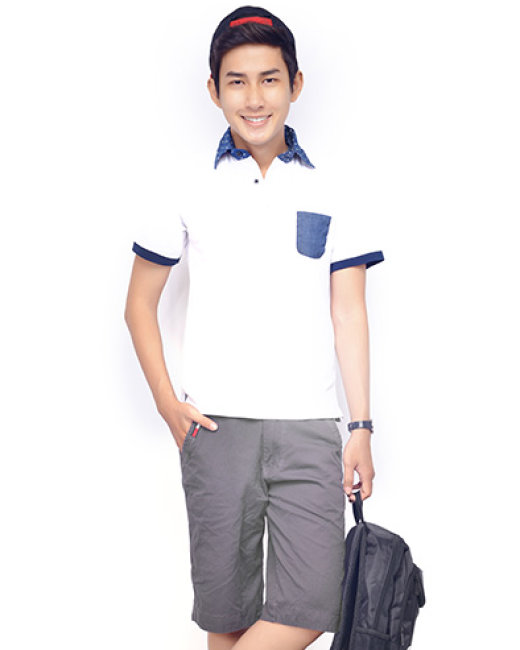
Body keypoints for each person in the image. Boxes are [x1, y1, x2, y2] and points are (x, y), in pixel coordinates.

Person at [124, 6, 384, 650]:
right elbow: (139, 304)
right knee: (228, 618)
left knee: (310, 606)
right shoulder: (185, 185)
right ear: (214, 91)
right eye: (236, 81)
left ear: (296, 84)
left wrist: (360, 425)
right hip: (215, 428)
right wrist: (166, 402)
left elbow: (349, 312)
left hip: (308, 428)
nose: (254, 97)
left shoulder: (335, 188)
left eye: (269, 79)